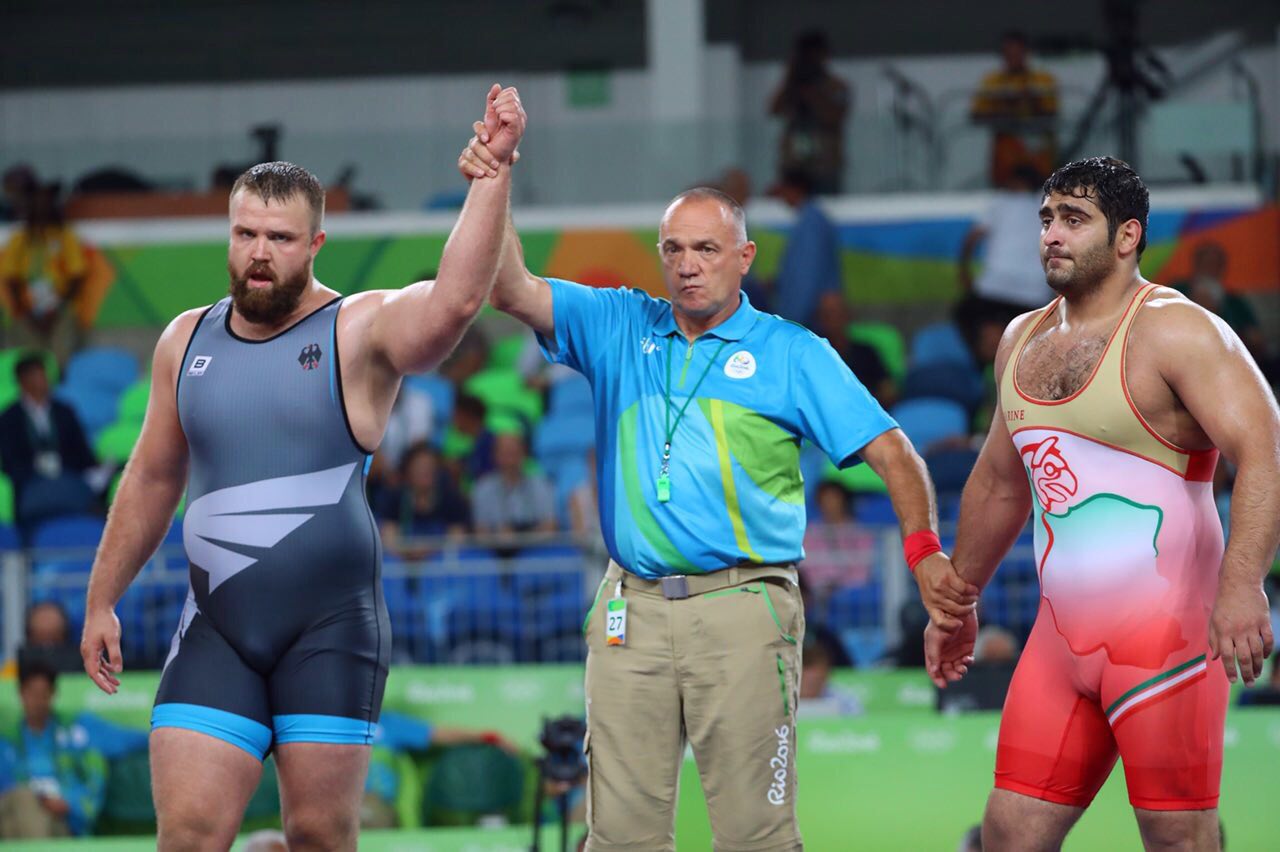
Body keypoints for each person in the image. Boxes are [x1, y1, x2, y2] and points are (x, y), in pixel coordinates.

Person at [460, 111, 973, 852]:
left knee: (755, 839)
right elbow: (509, 287)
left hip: (742, 608)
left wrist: (924, 554)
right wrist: (496, 174)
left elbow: (897, 455)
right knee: (618, 842)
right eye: (673, 249)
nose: (687, 264)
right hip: (630, 611)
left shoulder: (792, 352)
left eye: (706, 248)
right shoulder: (619, 324)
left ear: (744, 257)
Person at [77, 84, 526, 852]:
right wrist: (100, 600)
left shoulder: (358, 329)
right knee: (188, 835)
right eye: (245, 233)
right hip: (217, 627)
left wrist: (492, 177)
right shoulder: (185, 340)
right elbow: (151, 477)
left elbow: (453, 305)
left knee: (317, 834)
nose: (259, 252)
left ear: (316, 244)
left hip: (330, 629)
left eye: (280, 238)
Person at [926, 157, 1279, 850]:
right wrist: (958, 600)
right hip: (1060, 644)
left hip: (1169, 640)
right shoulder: (1020, 339)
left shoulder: (1178, 331)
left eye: (1074, 219)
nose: (1052, 235)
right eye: (1046, 219)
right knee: (1008, 834)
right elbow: (1000, 483)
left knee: (1176, 836)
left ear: (1127, 236)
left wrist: (1243, 585)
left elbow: (1265, 449)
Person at [0, 659, 107, 838]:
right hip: (13, 809)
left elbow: (92, 783)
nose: (37, 701)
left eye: (43, 694)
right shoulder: (7, 739)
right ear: (21, 693)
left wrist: (68, 802)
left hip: (58, 821)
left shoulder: (74, 734)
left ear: (53, 694)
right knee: (22, 800)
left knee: (24, 819)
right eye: (32, 693)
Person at [0, 183, 105, 363]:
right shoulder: (19, 240)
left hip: (60, 311)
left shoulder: (65, 237)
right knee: (27, 359)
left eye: (45, 205)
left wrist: (55, 311)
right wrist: (28, 313)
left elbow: (77, 277)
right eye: (36, 205)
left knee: (61, 355)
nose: (41, 210)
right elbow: (11, 279)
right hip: (27, 312)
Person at [0, 352, 104, 533]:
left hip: (68, 479)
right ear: (23, 381)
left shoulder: (65, 412)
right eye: (36, 376)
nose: (43, 381)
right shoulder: (9, 418)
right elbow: (10, 462)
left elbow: (83, 455)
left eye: (44, 375)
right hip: (30, 485)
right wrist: (37, 469)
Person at [970, 30, 1058, 188]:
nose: (1014, 58)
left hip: (1037, 144)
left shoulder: (1042, 79)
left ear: (1026, 53)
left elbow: (1052, 113)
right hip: (1007, 144)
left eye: (1018, 53)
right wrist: (1005, 106)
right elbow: (977, 115)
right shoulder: (993, 81)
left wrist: (1031, 100)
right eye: (1009, 54)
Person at [769, 30, 851, 195]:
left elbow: (836, 115)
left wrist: (813, 94)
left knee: (826, 204)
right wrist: (791, 79)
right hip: (794, 162)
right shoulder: (792, 84)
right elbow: (773, 109)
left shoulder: (835, 86)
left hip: (825, 163)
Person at [766, 167, 842, 327]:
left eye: (785, 189)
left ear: (795, 190)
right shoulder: (809, 219)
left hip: (809, 315)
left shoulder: (811, 223)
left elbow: (806, 274)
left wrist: (793, 320)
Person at [376, 442, 469, 561]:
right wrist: (410, 551)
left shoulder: (451, 499)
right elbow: (389, 538)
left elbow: (457, 538)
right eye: (419, 467)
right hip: (403, 561)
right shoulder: (394, 498)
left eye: (429, 467)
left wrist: (429, 550)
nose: (425, 472)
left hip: (439, 561)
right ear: (408, 471)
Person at [469, 430, 557, 538]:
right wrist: (499, 537)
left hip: (536, 545)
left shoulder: (541, 485)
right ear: (495, 455)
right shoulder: (482, 489)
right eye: (505, 453)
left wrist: (521, 537)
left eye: (514, 452)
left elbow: (551, 526)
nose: (510, 459)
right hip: (496, 546)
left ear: (524, 454)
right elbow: (480, 531)